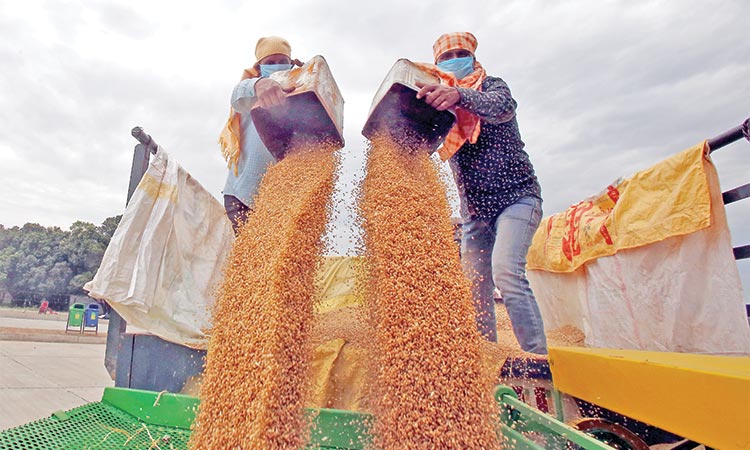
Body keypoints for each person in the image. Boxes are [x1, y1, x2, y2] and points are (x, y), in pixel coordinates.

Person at [416, 32, 548, 354]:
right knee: (475, 288)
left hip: (517, 198)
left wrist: (458, 95)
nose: (453, 61)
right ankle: (484, 358)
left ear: (473, 58)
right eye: (446, 58)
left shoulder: (491, 87)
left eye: (460, 54)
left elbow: (502, 107)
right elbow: (424, 139)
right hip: (475, 213)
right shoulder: (442, 108)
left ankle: (539, 359)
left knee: (506, 272)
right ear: (437, 65)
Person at [219, 36, 301, 234]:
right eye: (270, 63)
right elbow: (236, 96)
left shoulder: (300, 91)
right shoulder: (251, 88)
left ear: (291, 63)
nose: (277, 66)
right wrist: (260, 84)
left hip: (283, 200)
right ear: (259, 67)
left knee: (282, 260)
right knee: (250, 256)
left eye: (282, 61)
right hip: (243, 196)